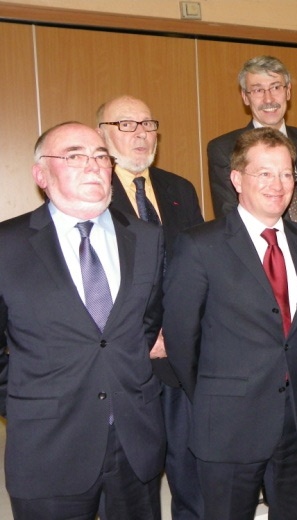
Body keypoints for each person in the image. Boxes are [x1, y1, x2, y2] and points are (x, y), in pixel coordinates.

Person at [0, 122, 166, 519]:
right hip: (49, 446)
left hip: (135, 441)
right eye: (75, 156)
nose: (93, 165)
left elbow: (146, 322)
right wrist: (31, 401)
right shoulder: (7, 245)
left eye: (100, 156)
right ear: (41, 174)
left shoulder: (146, 238)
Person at [163, 127, 297, 519]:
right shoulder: (200, 245)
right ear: (236, 179)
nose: (278, 184)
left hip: (293, 420)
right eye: (264, 173)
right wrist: (219, 397)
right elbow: (182, 339)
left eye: (286, 173)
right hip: (229, 424)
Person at [207, 54, 297, 493]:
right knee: (265, 374)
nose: (268, 97)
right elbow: (231, 214)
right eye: (257, 89)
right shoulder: (223, 147)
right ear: (245, 97)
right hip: (258, 276)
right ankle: (264, 463)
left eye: (276, 87)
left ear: (288, 92)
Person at [98, 95, 205, 520]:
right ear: (103, 133)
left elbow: (199, 266)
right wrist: (145, 336)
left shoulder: (180, 188)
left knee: (191, 466)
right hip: (127, 359)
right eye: (126, 125)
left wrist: (181, 329)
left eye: (147, 123)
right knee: (133, 480)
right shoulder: (93, 192)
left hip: (182, 354)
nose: (141, 133)